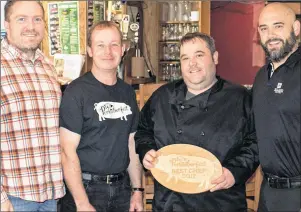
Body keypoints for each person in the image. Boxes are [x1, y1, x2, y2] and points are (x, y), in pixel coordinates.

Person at [135, 32, 259, 212]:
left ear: (215, 57)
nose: (192, 63)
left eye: (199, 55)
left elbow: (256, 141)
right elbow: (143, 131)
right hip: (170, 203)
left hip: (220, 201)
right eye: (185, 58)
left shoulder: (239, 98)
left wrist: (234, 171)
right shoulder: (162, 97)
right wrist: (146, 151)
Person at [59, 21, 143, 212]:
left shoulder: (127, 92)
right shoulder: (76, 92)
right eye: (100, 45)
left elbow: (131, 144)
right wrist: (81, 203)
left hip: (122, 188)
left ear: (122, 49)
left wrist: (137, 190)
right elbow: (67, 152)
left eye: (114, 45)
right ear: (89, 50)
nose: (108, 51)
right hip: (86, 189)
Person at [1, 1, 65, 211]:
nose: (31, 26)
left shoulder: (46, 65)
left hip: (50, 194)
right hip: (13, 196)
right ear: (7, 24)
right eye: (22, 19)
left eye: (37, 19)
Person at [253, 3, 301, 212]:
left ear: (296, 29)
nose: (270, 35)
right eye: (264, 28)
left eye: (278, 26)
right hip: (268, 192)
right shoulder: (261, 77)